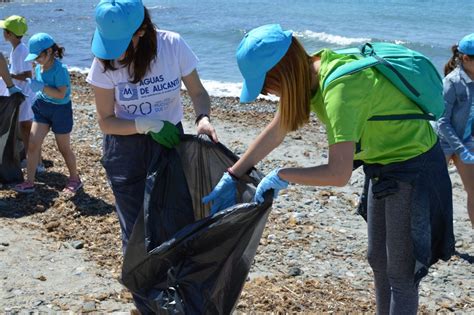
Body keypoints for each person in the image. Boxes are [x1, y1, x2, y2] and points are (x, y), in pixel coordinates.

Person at [203, 24, 454, 314]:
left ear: (281, 73)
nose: (266, 94)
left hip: (413, 164)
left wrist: (283, 174)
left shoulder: (338, 90)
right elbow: (277, 130)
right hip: (381, 164)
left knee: (400, 271)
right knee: (377, 259)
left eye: (264, 85)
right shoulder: (312, 71)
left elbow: (338, 173)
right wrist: (233, 173)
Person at [86, 0, 217, 312]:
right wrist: (145, 124)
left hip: (170, 145)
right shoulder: (103, 62)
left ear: (142, 31)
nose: (114, 51)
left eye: (122, 42)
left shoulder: (172, 46)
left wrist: (202, 118)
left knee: (177, 223)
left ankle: (183, 299)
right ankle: (150, 306)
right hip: (126, 150)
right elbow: (106, 121)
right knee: (136, 236)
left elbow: (198, 93)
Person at [13, 32, 81, 194]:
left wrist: (41, 87)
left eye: (38, 56)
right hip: (42, 108)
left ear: (49, 52)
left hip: (60, 110)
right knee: (33, 144)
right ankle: (29, 181)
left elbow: (61, 94)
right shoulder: (38, 67)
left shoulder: (60, 70)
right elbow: (40, 88)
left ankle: (74, 179)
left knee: (63, 148)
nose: (36, 60)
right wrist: (35, 88)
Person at [437, 33, 474, 228]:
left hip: (465, 140)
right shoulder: (451, 82)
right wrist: (461, 150)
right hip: (443, 141)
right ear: (466, 59)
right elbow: (442, 121)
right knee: (435, 193)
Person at [0, 15, 45, 172]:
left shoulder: (21, 50)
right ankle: (31, 158)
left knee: (27, 128)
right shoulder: (16, 48)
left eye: (4, 30)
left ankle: (37, 162)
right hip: (22, 94)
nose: (2, 33)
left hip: (25, 94)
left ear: (10, 34)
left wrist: (9, 76)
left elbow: (27, 74)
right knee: (24, 128)